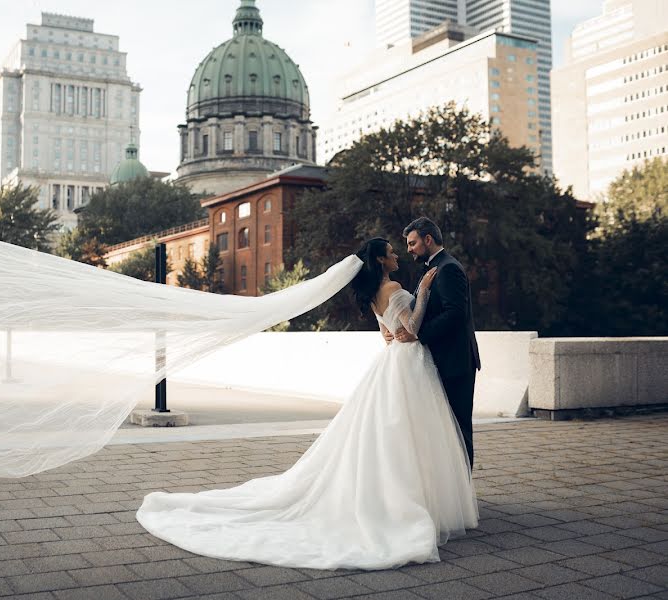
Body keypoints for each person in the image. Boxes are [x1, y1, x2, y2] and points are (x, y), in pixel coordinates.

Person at [136, 237, 478, 570]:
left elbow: (386, 335)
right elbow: (413, 328)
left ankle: (400, 498)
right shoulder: (394, 288)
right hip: (409, 365)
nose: (397, 256)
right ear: (379, 261)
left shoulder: (374, 295)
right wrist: (423, 295)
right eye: (391, 253)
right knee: (411, 435)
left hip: (392, 363)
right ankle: (409, 502)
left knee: (392, 437)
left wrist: (399, 326)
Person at [391, 217, 481, 468]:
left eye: (412, 243)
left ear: (427, 239)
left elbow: (455, 315)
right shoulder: (432, 267)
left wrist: (418, 334)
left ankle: (463, 494)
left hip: (455, 362)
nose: (408, 249)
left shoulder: (449, 268)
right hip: (440, 361)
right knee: (443, 431)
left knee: (458, 430)